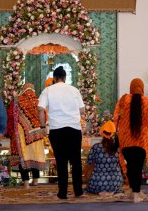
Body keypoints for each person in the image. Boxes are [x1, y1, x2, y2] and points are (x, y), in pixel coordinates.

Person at [38, 66, 85, 199]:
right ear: (65, 78)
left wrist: (42, 126)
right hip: (74, 129)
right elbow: (82, 111)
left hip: (57, 130)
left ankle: (62, 192)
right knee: (76, 161)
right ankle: (78, 191)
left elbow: (40, 109)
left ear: (54, 79)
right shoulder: (74, 90)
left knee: (61, 161)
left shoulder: (48, 90)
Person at [113, 78, 148, 203]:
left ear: (131, 88)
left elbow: (116, 118)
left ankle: (132, 191)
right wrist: (145, 129)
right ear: (142, 88)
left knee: (131, 166)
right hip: (141, 141)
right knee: (137, 167)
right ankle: (136, 195)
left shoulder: (123, 100)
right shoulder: (147, 102)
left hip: (126, 141)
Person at [5, 83, 46, 189]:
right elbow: (44, 115)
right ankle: (36, 180)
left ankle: (26, 183)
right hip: (36, 133)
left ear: (23, 90)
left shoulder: (17, 100)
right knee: (35, 155)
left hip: (21, 133)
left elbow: (10, 115)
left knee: (22, 155)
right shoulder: (37, 102)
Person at [85, 120, 123, 194]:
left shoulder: (96, 147)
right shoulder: (118, 148)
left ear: (102, 133)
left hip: (98, 182)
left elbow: (89, 163)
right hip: (115, 182)